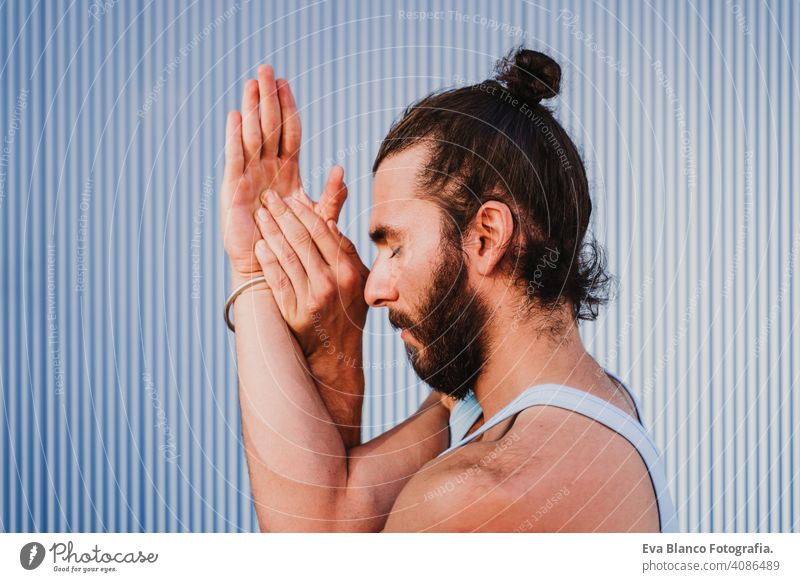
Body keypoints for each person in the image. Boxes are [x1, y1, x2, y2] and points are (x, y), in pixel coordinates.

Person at [218, 48, 677, 532]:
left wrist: (256, 278)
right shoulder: (510, 403)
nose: (372, 290)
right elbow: (330, 519)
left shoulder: (482, 491)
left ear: (486, 238)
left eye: (394, 246)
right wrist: (325, 347)